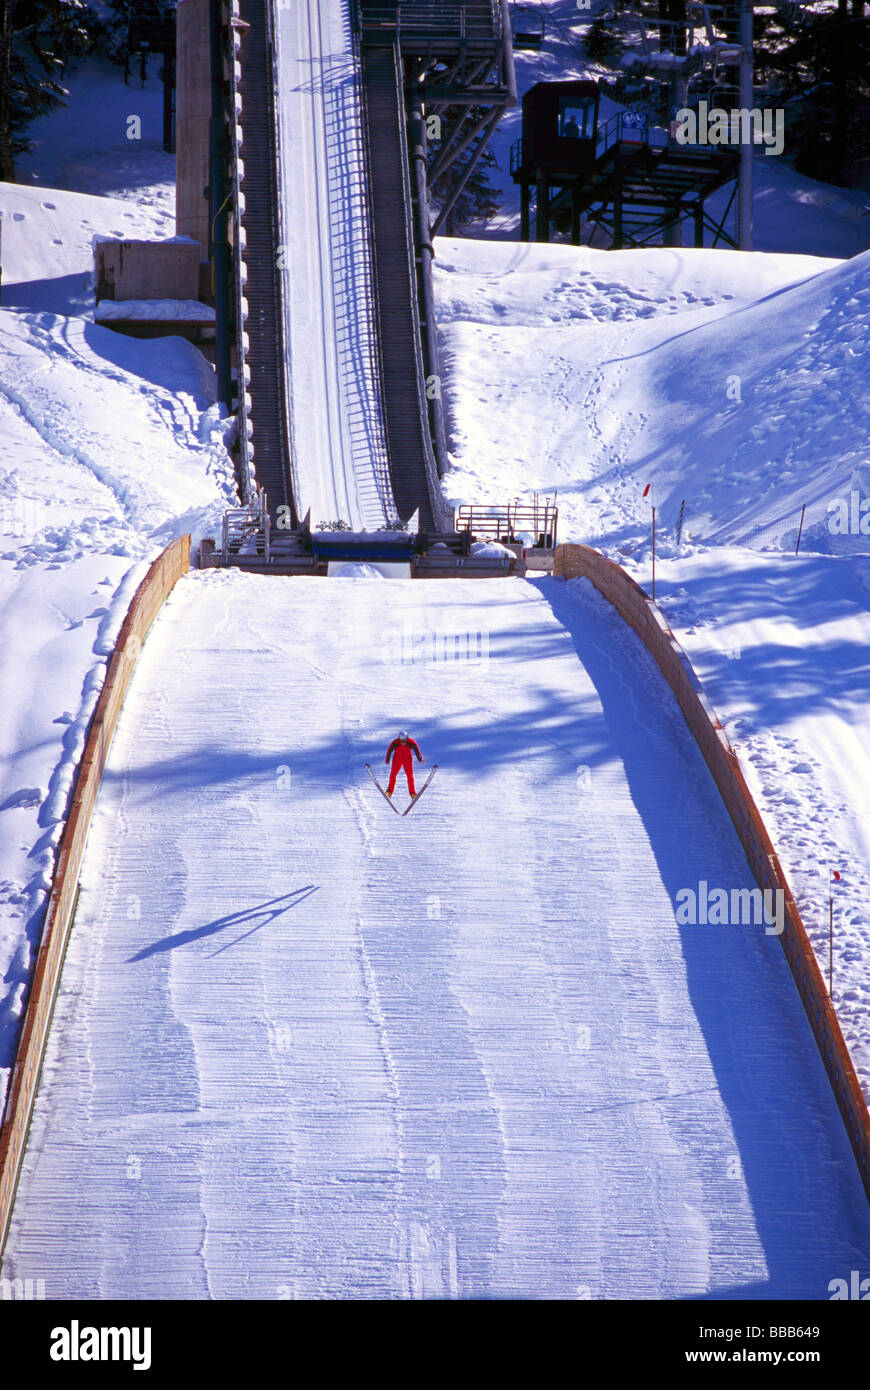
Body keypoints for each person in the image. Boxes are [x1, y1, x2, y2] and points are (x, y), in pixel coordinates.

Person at [385, 731, 423, 797]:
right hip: (397, 759)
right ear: (399, 740)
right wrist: (387, 759)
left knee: (410, 776)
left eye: (404, 741)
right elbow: (389, 750)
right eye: (401, 741)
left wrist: (419, 758)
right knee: (393, 775)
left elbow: (417, 750)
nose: (403, 743)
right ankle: (389, 791)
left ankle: (412, 793)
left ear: (407, 739)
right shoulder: (395, 743)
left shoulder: (411, 743)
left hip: (407, 760)